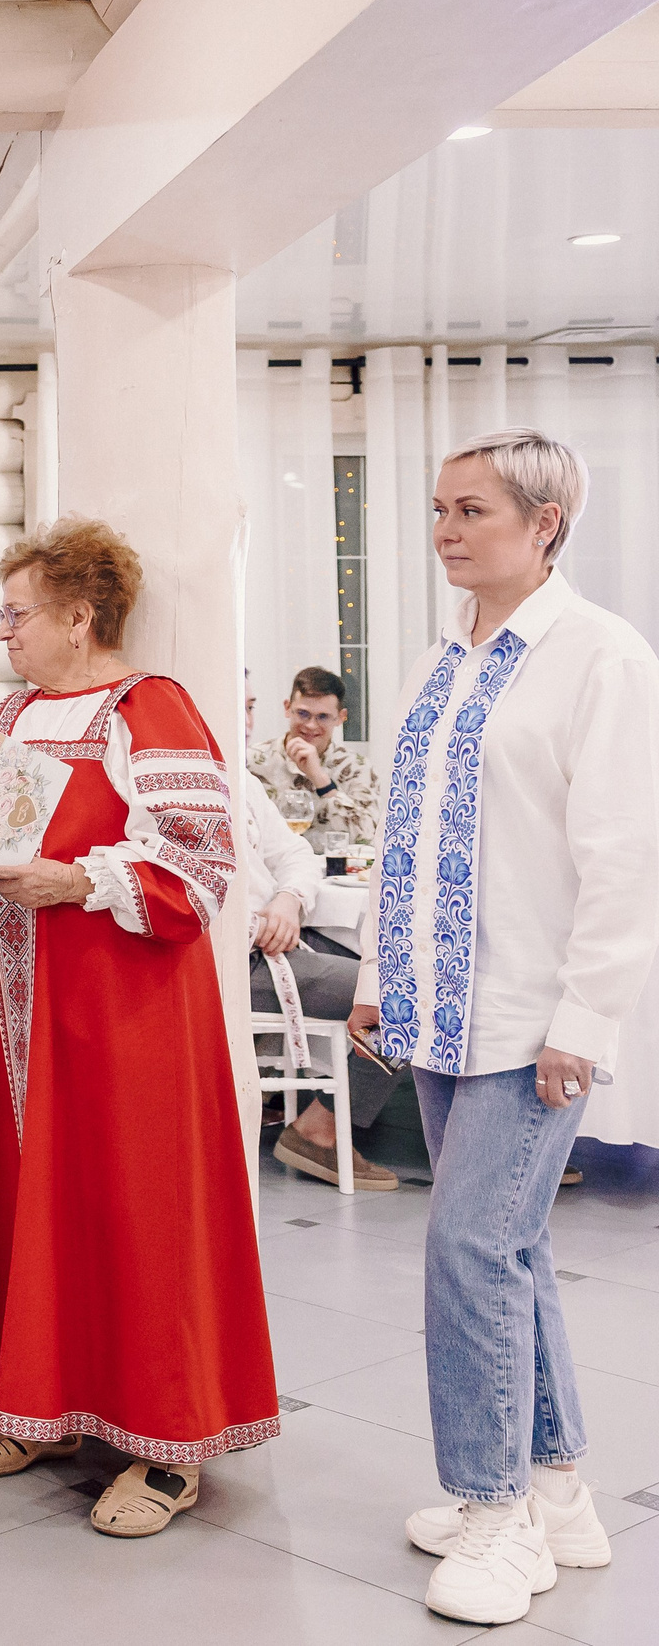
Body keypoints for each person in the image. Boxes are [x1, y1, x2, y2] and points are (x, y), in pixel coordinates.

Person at [343, 430, 659, 1625]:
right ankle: (557, 1489)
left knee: (466, 1249)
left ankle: (492, 1512)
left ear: (546, 524)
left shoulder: (599, 656)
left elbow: (624, 855)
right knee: (508, 1249)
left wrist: (587, 1017)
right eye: (437, 509)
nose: (445, 529)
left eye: (471, 509)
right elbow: (406, 834)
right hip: (436, 1003)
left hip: (534, 1019)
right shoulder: (442, 658)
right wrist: (378, 969)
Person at [0, 519, 278, 1539]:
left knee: (135, 1210)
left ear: (78, 616)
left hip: (122, 1011)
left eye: (17, 612)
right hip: (17, 1006)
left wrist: (79, 879)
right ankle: (43, 1405)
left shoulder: (151, 706)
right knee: (31, 1202)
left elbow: (201, 862)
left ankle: (161, 1445)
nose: (4, 632)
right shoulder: (7, 710)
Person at [242, 682, 403, 1191]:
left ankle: (323, 1115)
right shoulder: (243, 765)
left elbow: (303, 853)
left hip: (293, 923)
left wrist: (288, 897)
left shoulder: (236, 779)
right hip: (237, 958)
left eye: (249, 707)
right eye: (242, 707)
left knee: (397, 967)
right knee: (399, 993)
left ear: (341, 719)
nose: (247, 721)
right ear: (286, 708)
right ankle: (321, 1131)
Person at [246, 666, 379, 851]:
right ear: (287, 708)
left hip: (336, 875)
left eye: (322, 717)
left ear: (341, 717)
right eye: (303, 713)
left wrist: (321, 780)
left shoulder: (357, 767)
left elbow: (368, 836)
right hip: (273, 874)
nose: (310, 725)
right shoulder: (251, 761)